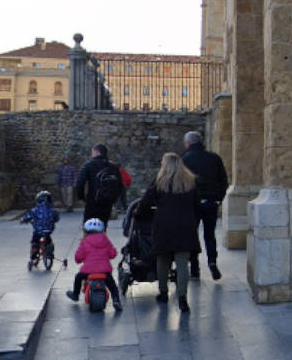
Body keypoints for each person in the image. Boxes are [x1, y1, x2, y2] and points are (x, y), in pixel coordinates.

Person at [139, 152, 200, 312]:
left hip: (164, 226)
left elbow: (146, 202)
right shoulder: (191, 181)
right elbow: (197, 205)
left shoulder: (160, 181)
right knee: (182, 264)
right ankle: (182, 298)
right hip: (186, 226)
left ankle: (163, 292)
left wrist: (141, 215)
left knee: (162, 259)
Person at [178, 130, 229, 281]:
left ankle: (194, 267)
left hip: (191, 204)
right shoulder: (214, 158)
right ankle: (212, 262)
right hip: (211, 202)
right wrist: (218, 198)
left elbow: (180, 183)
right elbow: (223, 180)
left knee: (192, 235)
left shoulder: (184, 160)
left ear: (188, 143)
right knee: (209, 235)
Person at [67, 218, 123, 311]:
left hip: (88, 271)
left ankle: (75, 295)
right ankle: (116, 301)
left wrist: (79, 259)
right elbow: (113, 254)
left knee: (78, 278)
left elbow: (78, 258)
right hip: (105, 271)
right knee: (113, 286)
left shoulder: (84, 242)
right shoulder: (105, 240)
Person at [75, 144, 125, 228]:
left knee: (88, 227)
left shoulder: (89, 165)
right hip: (107, 203)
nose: (91, 155)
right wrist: (113, 199)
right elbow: (120, 185)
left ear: (97, 152)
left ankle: (89, 240)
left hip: (92, 201)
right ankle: (101, 240)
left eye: (92, 152)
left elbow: (79, 183)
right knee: (103, 226)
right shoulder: (113, 167)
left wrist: (82, 198)